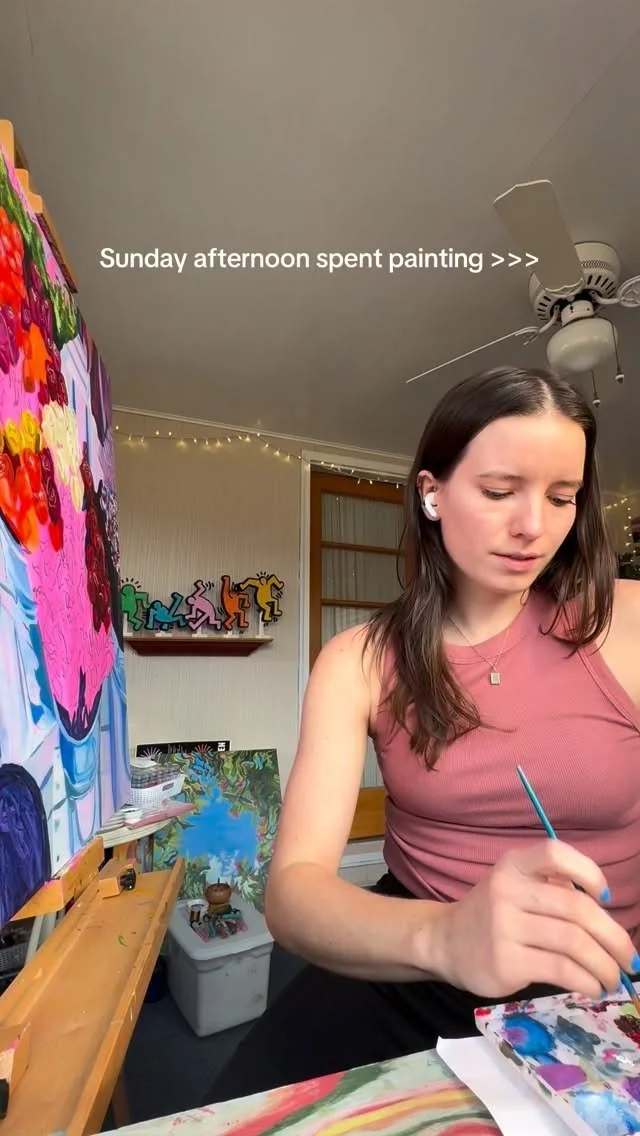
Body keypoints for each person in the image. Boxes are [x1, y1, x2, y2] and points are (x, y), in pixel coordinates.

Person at [205, 365, 640, 1104]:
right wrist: (446, 936)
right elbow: (294, 894)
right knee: (241, 1111)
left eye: (561, 496)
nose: (534, 526)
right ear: (432, 493)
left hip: (601, 977)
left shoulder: (624, 621)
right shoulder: (359, 660)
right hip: (413, 951)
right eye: (500, 491)